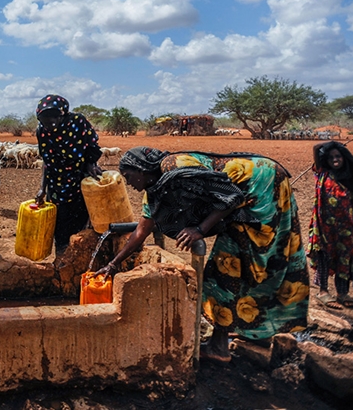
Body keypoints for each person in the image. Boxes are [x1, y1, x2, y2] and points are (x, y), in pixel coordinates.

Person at [96, 147, 309, 363]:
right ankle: (255, 332)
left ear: (141, 169)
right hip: (251, 191)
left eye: (128, 176)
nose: (128, 183)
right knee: (242, 265)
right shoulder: (155, 191)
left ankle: (219, 346)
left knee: (229, 268)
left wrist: (200, 229)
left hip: (262, 186)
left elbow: (231, 196)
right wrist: (113, 264)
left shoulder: (176, 166)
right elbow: (141, 231)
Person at [308, 141, 353, 309]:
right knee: (323, 255)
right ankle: (323, 291)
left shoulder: (351, 180)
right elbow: (316, 149)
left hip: (346, 227)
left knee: (344, 258)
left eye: (338, 156)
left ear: (344, 158)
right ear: (326, 160)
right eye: (331, 157)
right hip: (323, 226)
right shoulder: (322, 174)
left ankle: (342, 292)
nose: (335, 159)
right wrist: (330, 143)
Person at [34, 94, 102, 254]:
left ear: (62, 115)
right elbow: (46, 161)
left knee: (84, 228)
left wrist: (91, 163)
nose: (49, 125)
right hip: (57, 187)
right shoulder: (42, 132)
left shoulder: (78, 123)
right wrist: (42, 188)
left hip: (81, 182)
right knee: (61, 231)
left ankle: (84, 261)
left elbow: (92, 145)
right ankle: (62, 263)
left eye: (52, 121)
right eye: (44, 122)